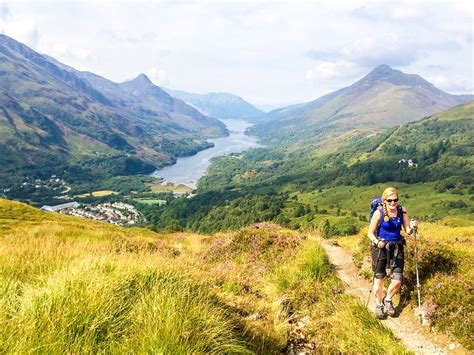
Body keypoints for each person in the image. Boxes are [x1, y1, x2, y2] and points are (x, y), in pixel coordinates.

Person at [367, 186, 417, 318]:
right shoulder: (379, 213)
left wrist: (412, 227)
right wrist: (377, 242)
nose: (393, 203)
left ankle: (388, 299)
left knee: (398, 279)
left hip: (397, 247)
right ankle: (378, 305)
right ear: (384, 201)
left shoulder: (402, 211)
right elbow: (370, 233)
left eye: (395, 200)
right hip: (381, 248)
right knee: (379, 279)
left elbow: (407, 231)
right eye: (389, 201)